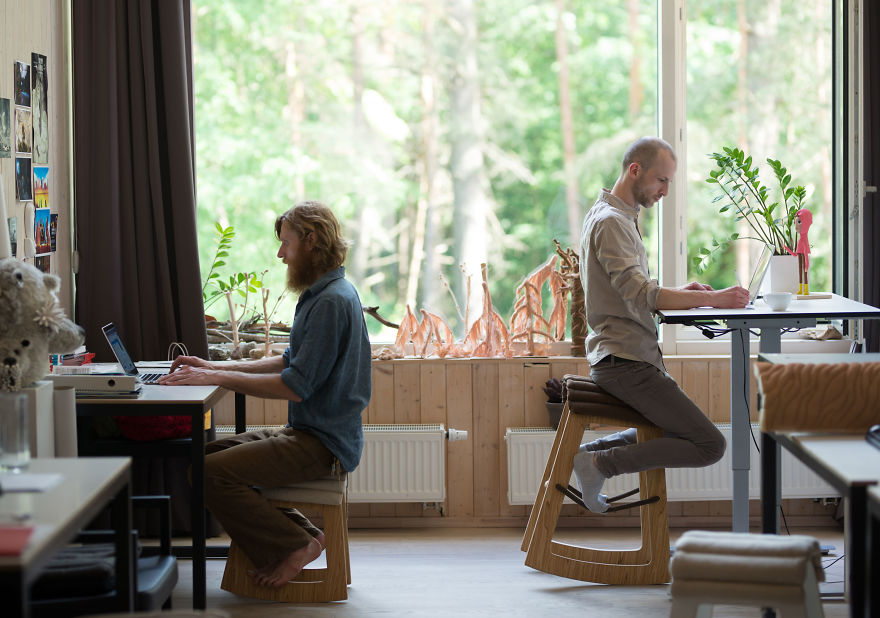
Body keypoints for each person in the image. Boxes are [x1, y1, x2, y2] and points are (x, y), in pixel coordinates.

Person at [159, 201, 372, 587]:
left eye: (286, 244)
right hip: (311, 434)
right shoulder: (325, 293)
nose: (280, 254)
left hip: (322, 443)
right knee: (204, 458)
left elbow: (294, 385)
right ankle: (306, 537)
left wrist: (220, 380)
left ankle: (294, 545)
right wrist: (212, 368)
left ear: (311, 241)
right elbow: (288, 361)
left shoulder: (330, 301)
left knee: (209, 474)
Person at [574, 137, 749, 513]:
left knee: (684, 432)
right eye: (661, 180)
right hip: (625, 362)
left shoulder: (610, 214)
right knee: (710, 445)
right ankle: (600, 463)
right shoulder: (612, 222)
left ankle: (596, 452)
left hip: (624, 358)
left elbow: (631, 291)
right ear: (635, 170)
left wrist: (683, 292)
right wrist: (713, 298)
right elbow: (642, 294)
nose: (665, 191)